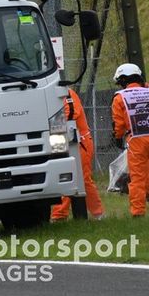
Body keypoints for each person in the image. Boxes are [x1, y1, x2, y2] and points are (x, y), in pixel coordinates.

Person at [111, 63, 149, 218]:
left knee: (138, 178)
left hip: (137, 139)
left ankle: (138, 212)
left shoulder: (120, 97)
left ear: (124, 80)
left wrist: (117, 138)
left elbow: (119, 125)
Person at [51, 88, 104, 222]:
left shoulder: (65, 92)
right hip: (62, 139)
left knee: (83, 179)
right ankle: (60, 214)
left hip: (79, 141)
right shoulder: (52, 93)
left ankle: (97, 214)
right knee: (63, 177)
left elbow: (71, 114)